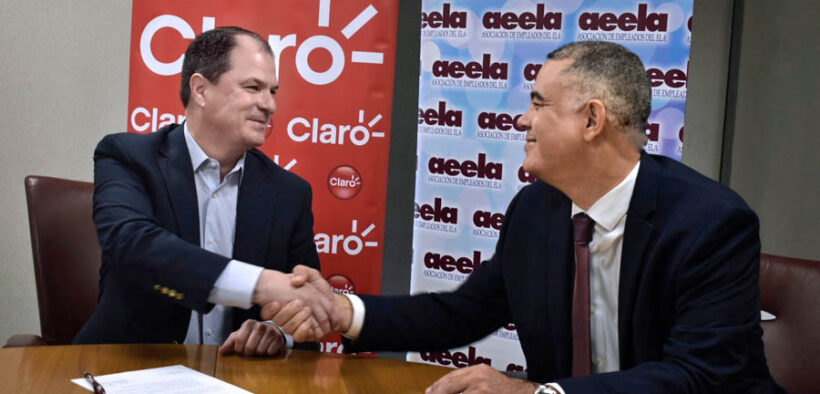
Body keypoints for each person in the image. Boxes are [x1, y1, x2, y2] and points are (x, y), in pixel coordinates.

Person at [264, 41, 783, 393]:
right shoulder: (535, 210)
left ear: (592, 120)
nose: (521, 119)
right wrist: (343, 312)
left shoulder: (710, 223)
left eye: (538, 103)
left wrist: (536, 393)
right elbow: (463, 313)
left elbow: (697, 376)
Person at [73, 26, 337, 355]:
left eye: (272, 91)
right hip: (129, 369)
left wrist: (276, 331)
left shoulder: (290, 193)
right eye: (253, 87)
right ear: (200, 90)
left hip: (238, 379)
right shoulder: (128, 156)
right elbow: (132, 245)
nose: (268, 105)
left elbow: (306, 308)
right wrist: (263, 284)